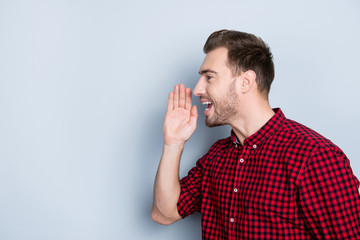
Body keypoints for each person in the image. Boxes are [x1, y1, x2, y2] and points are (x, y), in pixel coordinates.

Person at [152, 29, 360, 239]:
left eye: (209, 77)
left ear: (245, 82)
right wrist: (173, 143)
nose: (197, 89)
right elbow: (165, 213)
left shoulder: (314, 157)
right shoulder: (216, 157)